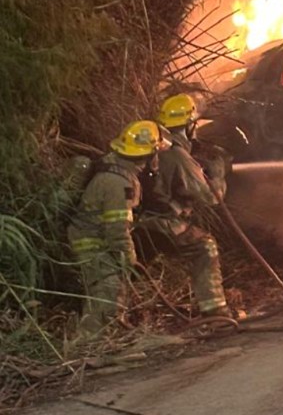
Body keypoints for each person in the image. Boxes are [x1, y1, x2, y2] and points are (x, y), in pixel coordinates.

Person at [67, 120, 165, 336]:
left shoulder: (115, 168)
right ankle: (87, 345)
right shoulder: (120, 184)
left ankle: (107, 337)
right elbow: (117, 229)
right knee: (108, 289)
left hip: (93, 236)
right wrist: (129, 258)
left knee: (113, 288)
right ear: (148, 155)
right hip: (90, 241)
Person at [139, 93, 229, 318]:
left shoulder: (157, 146)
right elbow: (209, 197)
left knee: (135, 264)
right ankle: (215, 312)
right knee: (203, 246)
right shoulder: (177, 156)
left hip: (138, 222)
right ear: (189, 126)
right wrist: (218, 174)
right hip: (161, 223)